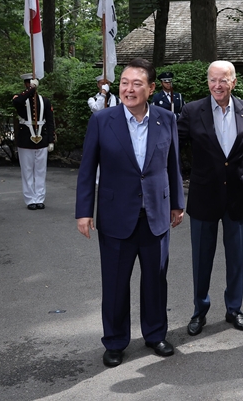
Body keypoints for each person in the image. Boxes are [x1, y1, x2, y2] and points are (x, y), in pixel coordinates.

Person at [75, 58, 185, 368]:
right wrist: (84, 211)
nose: (128, 88)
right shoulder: (102, 120)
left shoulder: (166, 119)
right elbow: (87, 169)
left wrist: (177, 203)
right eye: (124, 82)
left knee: (155, 280)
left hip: (156, 215)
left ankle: (155, 334)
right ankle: (114, 341)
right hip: (115, 216)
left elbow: (173, 164)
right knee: (114, 284)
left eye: (137, 84)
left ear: (151, 88)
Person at [177, 60, 243, 336]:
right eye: (212, 80)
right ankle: (199, 311)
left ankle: (234, 309)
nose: (217, 85)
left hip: (236, 198)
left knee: (236, 259)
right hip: (204, 197)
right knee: (201, 260)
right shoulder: (192, 111)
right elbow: (170, 142)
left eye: (223, 80)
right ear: (208, 82)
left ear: (234, 82)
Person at [12, 73, 55, 210]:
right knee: (27, 170)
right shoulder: (20, 99)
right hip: (26, 140)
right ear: (26, 84)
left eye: (33, 83)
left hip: (41, 139)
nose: (31, 85)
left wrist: (51, 140)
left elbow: (50, 121)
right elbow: (17, 102)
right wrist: (30, 90)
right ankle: (30, 199)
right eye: (29, 83)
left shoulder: (45, 101)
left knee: (41, 171)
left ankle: (39, 198)